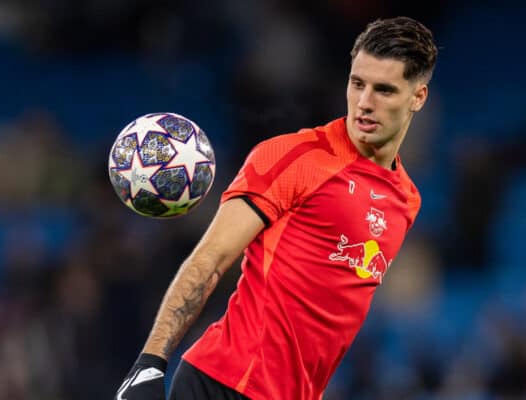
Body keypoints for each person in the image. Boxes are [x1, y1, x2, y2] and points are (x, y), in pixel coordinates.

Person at [115, 16, 438, 400]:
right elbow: (211, 258)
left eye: (384, 90)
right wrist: (150, 362)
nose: (365, 103)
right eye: (357, 84)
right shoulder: (294, 157)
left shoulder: (406, 199)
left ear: (417, 97)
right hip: (226, 384)